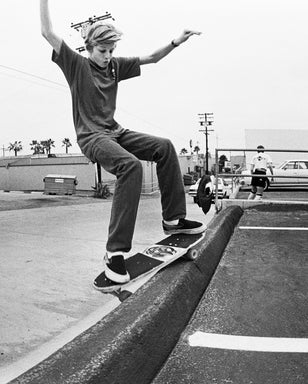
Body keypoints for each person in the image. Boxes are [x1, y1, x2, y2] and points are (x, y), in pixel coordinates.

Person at [40, 0, 206, 284]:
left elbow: (151, 58)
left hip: (115, 131)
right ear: (89, 48)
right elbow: (47, 32)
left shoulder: (115, 67)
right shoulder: (76, 65)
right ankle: (114, 252)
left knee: (164, 147)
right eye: (102, 51)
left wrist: (176, 41)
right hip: (92, 137)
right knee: (131, 167)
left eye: (111, 51)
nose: (107, 56)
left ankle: (173, 219)